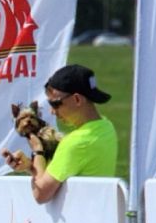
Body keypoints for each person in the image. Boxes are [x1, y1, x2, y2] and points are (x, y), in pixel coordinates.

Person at [9, 63, 116, 204]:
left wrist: (38, 152)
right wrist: (30, 166)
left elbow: (40, 194)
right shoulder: (107, 127)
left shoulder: (75, 143)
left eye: (55, 104)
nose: (53, 111)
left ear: (77, 99)